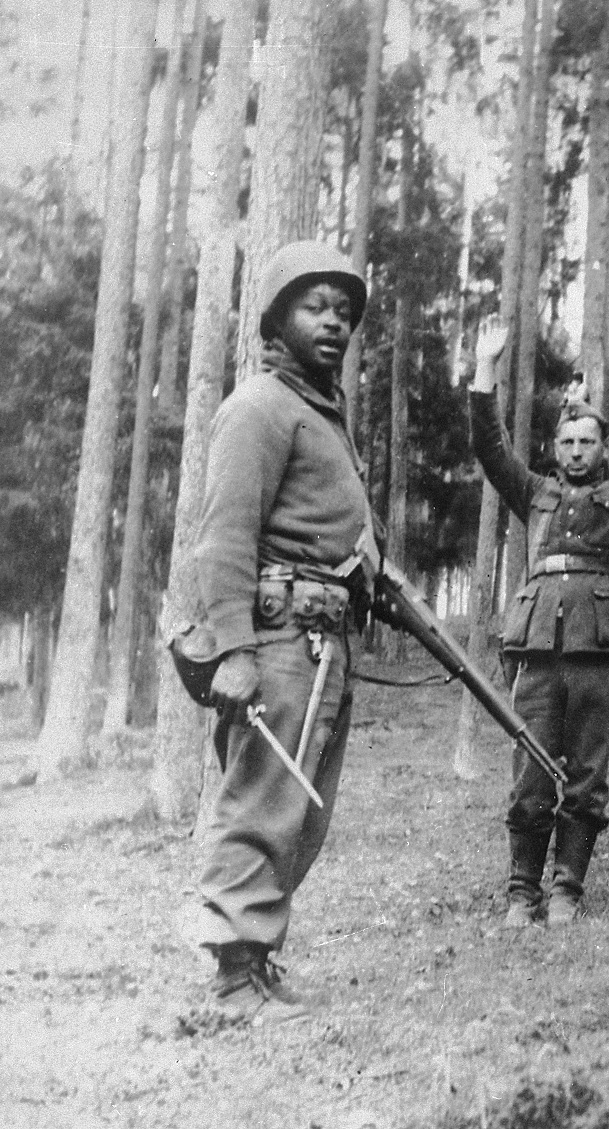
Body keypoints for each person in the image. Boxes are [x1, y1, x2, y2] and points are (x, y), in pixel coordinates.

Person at [190, 240, 376, 1022]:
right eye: (314, 306)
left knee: (300, 812)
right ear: (276, 317)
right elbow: (224, 537)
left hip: (323, 640)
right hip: (277, 641)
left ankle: (256, 960)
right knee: (262, 803)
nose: (332, 323)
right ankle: (231, 983)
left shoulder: (319, 416)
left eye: (343, 311)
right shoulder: (260, 407)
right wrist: (234, 649)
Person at [470, 320, 609, 925]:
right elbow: (490, 447)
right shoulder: (534, 493)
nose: (574, 452)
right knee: (532, 773)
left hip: (599, 652)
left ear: (602, 448)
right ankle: (521, 890)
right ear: (554, 449)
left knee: (587, 776)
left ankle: (567, 888)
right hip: (539, 649)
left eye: (586, 443)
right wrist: (485, 371)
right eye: (566, 443)